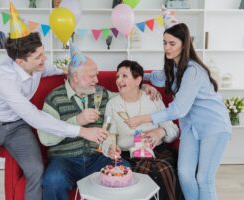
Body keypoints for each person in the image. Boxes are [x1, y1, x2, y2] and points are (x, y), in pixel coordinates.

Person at [0, 3, 107, 200]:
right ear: (20, 62)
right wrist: (82, 130)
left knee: (35, 170)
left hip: (17, 127)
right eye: (39, 57)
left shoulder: (36, 66)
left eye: (43, 53)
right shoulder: (4, 80)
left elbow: (51, 69)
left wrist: (68, 71)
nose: (45, 59)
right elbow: (36, 118)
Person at [125, 6, 232, 200]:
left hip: (214, 126)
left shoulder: (194, 71)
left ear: (184, 44)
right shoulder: (172, 69)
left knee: (204, 178)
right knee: (184, 174)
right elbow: (153, 77)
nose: (167, 47)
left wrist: (143, 118)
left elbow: (178, 109)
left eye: (172, 43)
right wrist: (137, 80)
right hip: (191, 129)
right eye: (164, 43)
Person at [37, 43, 130, 200]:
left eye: (97, 75)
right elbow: (46, 139)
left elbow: (126, 97)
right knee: (53, 180)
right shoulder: (54, 98)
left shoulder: (101, 92)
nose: (97, 80)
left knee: (125, 170)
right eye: (92, 76)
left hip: (98, 157)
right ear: (75, 77)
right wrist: (77, 120)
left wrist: (146, 88)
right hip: (65, 159)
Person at [102, 60, 184, 200]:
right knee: (142, 175)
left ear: (138, 80)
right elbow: (107, 134)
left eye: (124, 76)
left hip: (157, 151)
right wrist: (109, 147)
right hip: (129, 154)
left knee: (165, 171)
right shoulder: (112, 105)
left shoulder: (153, 99)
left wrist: (160, 132)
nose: (119, 80)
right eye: (117, 76)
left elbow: (173, 129)